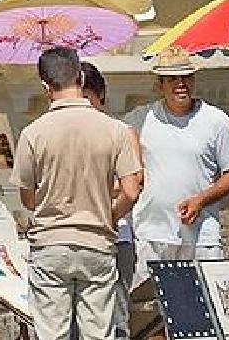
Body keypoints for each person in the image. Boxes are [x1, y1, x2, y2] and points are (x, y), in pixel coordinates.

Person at [10, 47, 142, 340]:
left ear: (45, 87)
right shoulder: (115, 130)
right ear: (81, 77)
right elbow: (132, 191)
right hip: (97, 242)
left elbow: (27, 198)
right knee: (99, 334)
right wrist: (108, 216)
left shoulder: (32, 133)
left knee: (53, 334)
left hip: (50, 244)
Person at [124, 49, 229, 338]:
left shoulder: (216, 120)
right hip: (152, 232)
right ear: (159, 84)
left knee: (206, 312)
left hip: (201, 234)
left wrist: (202, 200)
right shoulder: (140, 119)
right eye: (172, 78)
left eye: (186, 77)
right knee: (152, 317)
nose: (180, 84)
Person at [80, 61, 143, 340]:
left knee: (116, 317)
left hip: (116, 237)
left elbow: (134, 182)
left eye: (86, 97)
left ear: (100, 95)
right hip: (77, 237)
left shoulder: (121, 131)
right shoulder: (65, 134)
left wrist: (109, 212)